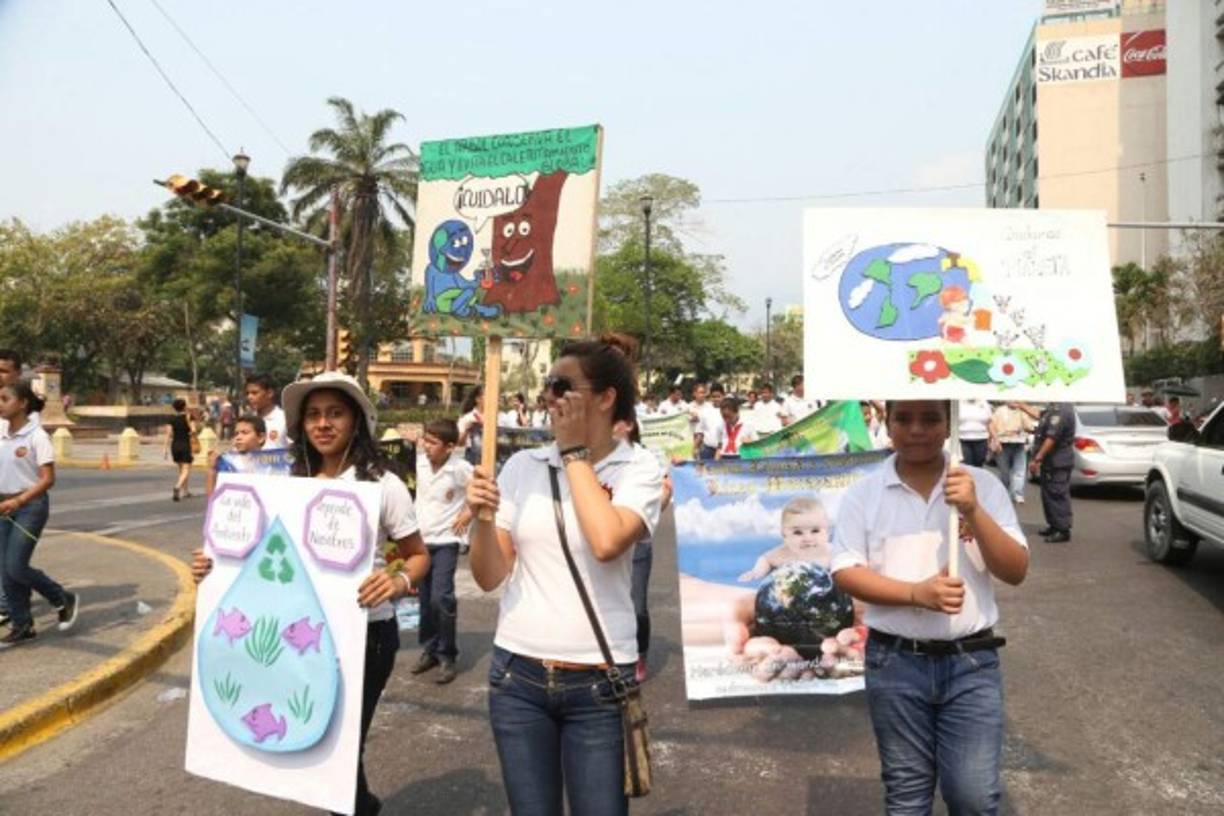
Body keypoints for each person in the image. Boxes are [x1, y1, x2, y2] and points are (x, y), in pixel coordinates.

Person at [191, 371, 429, 816]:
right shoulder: (283, 483)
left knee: (340, 750)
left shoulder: (383, 483)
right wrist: (212, 566)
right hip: (295, 641)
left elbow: (418, 556)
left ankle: (358, 804)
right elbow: (252, 556)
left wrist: (397, 582)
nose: (323, 424)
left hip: (366, 638)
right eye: (314, 415)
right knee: (320, 752)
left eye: (335, 413)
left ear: (356, 421)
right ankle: (362, 804)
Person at [465, 334, 664, 816]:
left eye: (561, 386)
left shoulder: (640, 468)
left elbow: (606, 541)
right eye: (546, 386)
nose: (548, 398)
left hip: (597, 684)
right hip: (518, 677)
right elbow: (490, 576)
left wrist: (575, 455)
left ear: (605, 397)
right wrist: (482, 520)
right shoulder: (523, 466)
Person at [831, 400, 1029, 815]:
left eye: (930, 419)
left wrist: (973, 510)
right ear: (887, 424)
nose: (916, 429)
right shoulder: (864, 494)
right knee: (906, 794)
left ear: (949, 425)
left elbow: (1014, 570)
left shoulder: (982, 486)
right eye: (903, 418)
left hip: (971, 663)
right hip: (895, 662)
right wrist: (916, 594)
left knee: (973, 796)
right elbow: (846, 571)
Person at [0, 381, 78, 647]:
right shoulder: (0, 430)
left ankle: (61, 596)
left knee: (16, 566)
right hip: (3, 506)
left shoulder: (37, 436)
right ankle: (23, 626)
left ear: (22, 403)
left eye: (4, 399)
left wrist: (19, 500)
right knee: (5, 571)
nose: (0, 404)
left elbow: (48, 479)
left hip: (29, 507)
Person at [407, 418, 473, 685]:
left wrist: (468, 513)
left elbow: (482, 488)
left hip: (446, 540)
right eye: (426, 440)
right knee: (424, 601)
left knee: (441, 598)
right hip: (421, 542)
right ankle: (430, 649)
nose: (427, 446)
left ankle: (447, 655)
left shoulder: (460, 469)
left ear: (449, 446)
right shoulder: (419, 464)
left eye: (433, 443)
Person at [738, 496, 830, 582]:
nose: (807, 538)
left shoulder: (833, 554)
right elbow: (765, 559)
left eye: (815, 531)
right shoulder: (783, 554)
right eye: (798, 532)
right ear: (784, 534)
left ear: (827, 532)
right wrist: (756, 572)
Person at [1029, 402, 1075, 543]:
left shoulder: (1062, 410)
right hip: (1051, 462)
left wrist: (1038, 458)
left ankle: (1062, 530)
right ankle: (1054, 525)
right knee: (1048, 494)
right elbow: (1039, 415)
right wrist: (1021, 405)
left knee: (1057, 494)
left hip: (1057, 461)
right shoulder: (1053, 408)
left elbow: (1051, 438)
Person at [204, 414, 267, 496]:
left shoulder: (274, 464)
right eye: (236, 433)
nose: (238, 437)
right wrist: (211, 468)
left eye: (245, 433)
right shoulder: (227, 463)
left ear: (261, 438)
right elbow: (212, 499)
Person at [989, 402, 1037, 504]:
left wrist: (1025, 429)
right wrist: (995, 440)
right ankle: (1004, 493)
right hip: (1003, 443)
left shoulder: (1021, 412)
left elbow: (1029, 427)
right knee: (1004, 472)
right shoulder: (999, 411)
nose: (1013, 401)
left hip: (1018, 443)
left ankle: (1017, 494)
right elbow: (991, 425)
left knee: (1019, 470)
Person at [163, 398, 196, 501]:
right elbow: (194, 430)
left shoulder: (171, 419)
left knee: (181, 469)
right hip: (185, 445)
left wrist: (165, 449)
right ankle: (177, 487)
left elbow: (168, 435)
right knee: (186, 469)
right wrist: (191, 432)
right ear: (184, 406)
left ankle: (185, 491)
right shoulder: (189, 416)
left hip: (175, 445)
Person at [244, 373, 287, 449]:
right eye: (247, 393)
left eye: (254, 393)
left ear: (270, 393)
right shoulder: (246, 420)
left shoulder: (285, 420)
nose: (249, 397)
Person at [689, 383, 722, 461]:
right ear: (710, 398)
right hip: (707, 451)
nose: (716, 399)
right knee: (704, 472)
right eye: (714, 397)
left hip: (723, 451)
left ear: (723, 396)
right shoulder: (705, 411)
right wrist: (695, 448)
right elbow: (700, 432)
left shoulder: (728, 411)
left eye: (718, 396)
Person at [957, 398, 994, 467]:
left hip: (981, 439)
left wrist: (994, 438)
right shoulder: (958, 403)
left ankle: (977, 477)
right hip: (963, 439)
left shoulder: (984, 404)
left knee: (979, 463)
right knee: (967, 463)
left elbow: (990, 422)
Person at [458, 386, 485, 466]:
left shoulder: (498, 417)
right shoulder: (468, 417)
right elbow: (460, 443)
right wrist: (466, 430)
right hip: (472, 456)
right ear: (478, 399)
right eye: (487, 395)